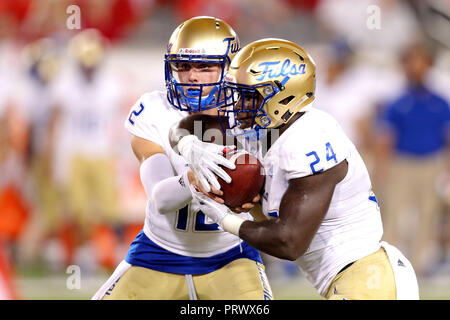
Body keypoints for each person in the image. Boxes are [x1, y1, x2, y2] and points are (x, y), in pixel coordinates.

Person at [170, 38, 420, 300]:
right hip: (353, 277)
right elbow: (189, 125)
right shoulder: (269, 128)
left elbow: (289, 242)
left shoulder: (310, 138)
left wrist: (224, 218)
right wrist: (190, 146)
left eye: (248, 96)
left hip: (370, 279)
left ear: (281, 96)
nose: (237, 105)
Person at [92, 16, 273, 300]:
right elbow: (160, 198)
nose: (192, 76)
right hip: (157, 253)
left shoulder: (254, 118)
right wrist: (193, 176)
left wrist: (256, 200)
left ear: (230, 68)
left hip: (229, 255)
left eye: (205, 66)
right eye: (184, 65)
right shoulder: (154, 109)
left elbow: (272, 210)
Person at [374, 42, 450, 277]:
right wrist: (382, 167)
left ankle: (418, 266)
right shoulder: (397, 101)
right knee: (395, 215)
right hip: (402, 164)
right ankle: (387, 266)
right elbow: (386, 137)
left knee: (427, 216)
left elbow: (447, 136)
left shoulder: (439, 101)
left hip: (430, 164)